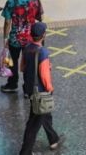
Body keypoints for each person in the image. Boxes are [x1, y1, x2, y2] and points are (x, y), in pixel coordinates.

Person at [18, 22, 62, 154]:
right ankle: (25, 152)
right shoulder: (42, 52)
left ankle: (54, 140)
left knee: (45, 114)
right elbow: (44, 75)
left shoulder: (26, 48)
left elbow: (22, 68)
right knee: (34, 123)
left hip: (30, 90)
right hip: (41, 92)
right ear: (43, 35)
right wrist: (50, 88)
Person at [1, 0, 43, 93]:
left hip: (14, 39)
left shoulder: (11, 2)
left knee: (12, 62)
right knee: (29, 64)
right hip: (30, 38)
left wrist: (5, 38)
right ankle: (27, 89)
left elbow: (7, 22)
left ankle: (12, 84)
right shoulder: (35, 0)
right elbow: (40, 17)